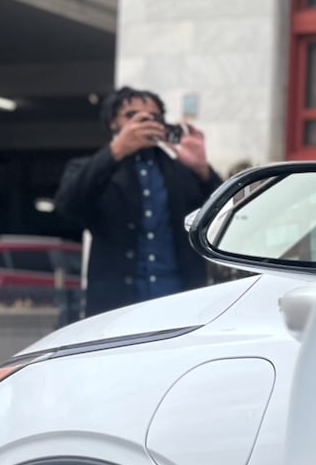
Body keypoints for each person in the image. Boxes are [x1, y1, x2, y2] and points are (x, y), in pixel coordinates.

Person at [55, 86, 222, 316]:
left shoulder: (180, 170)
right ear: (114, 123)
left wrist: (202, 169)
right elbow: (68, 206)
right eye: (132, 116)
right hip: (116, 307)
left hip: (180, 303)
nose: (143, 122)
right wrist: (115, 150)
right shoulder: (92, 169)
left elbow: (226, 218)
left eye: (153, 117)